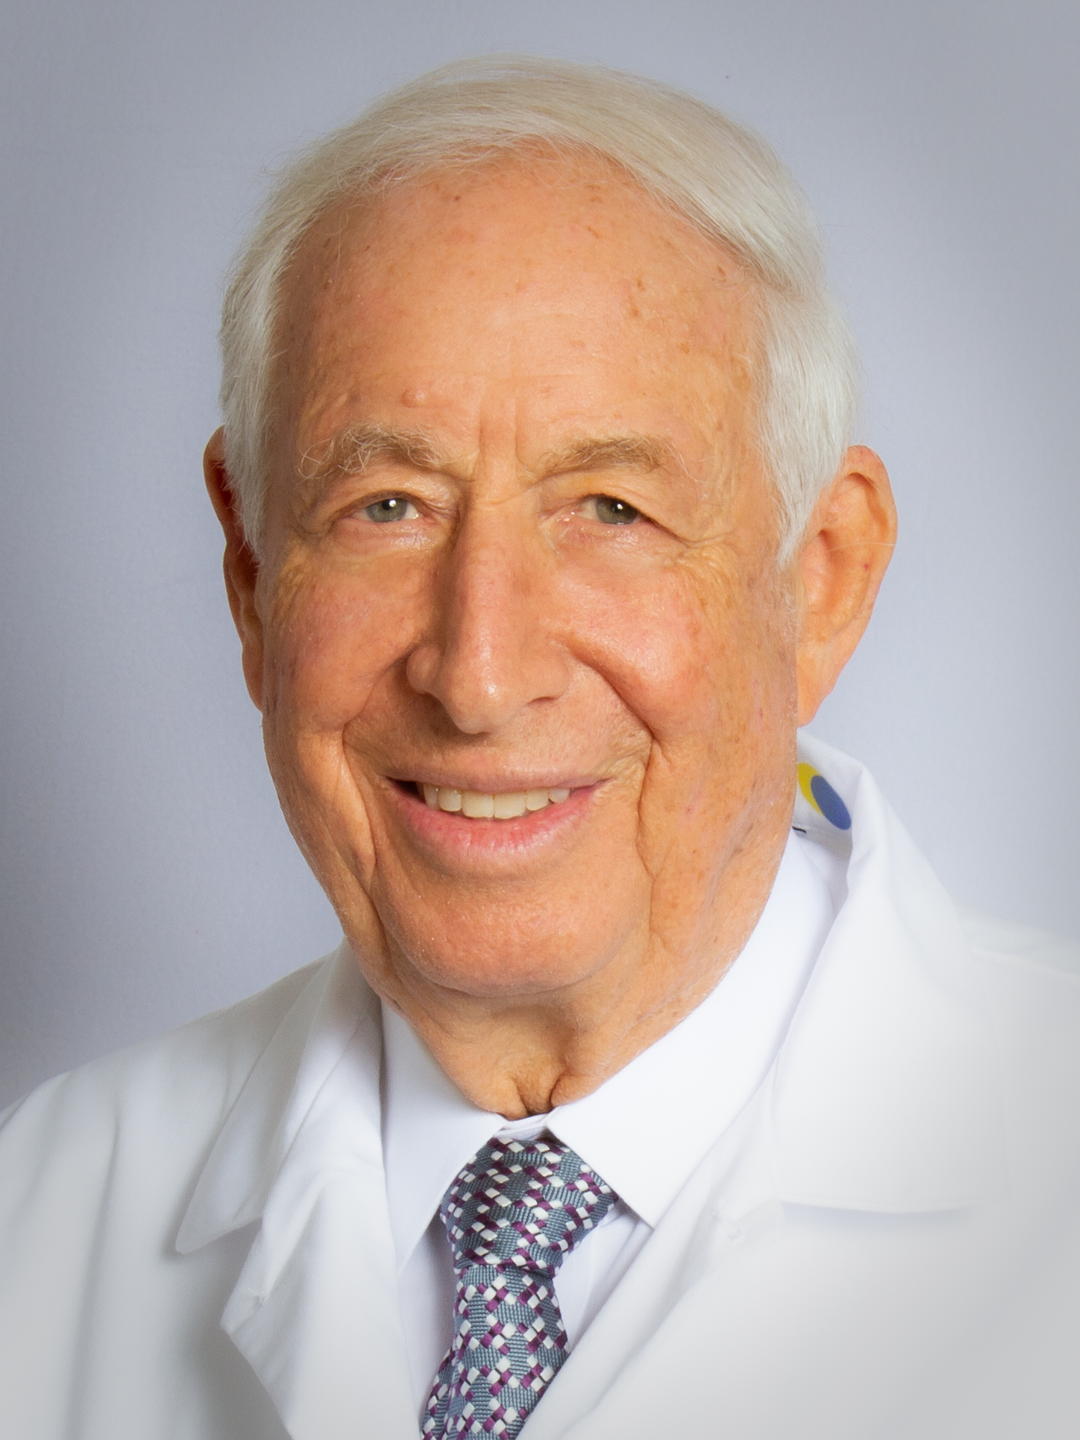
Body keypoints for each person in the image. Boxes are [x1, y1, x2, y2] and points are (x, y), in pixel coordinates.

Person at [1, 54, 1078, 1440]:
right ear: (252, 573)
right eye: (388, 506)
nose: (479, 675)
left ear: (821, 580)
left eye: (611, 509)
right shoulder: (46, 1214)